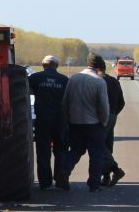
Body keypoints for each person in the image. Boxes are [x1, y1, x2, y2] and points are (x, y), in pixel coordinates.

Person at [55, 53, 110, 192]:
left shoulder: (73, 78)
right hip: (94, 123)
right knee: (96, 154)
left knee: (75, 150)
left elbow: (65, 101)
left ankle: (64, 172)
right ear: (98, 66)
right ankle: (94, 184)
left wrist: (67, 119)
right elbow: (103, 106)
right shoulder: (99, 81)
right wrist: (104, 121)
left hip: (75, 122)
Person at [28, 55, 68, 189]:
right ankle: (60, 178)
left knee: (43, 150)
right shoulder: (64, 79)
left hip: (43, 119)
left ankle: (45, 182)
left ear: (43, 65)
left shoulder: (34, 78)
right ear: (56, 66)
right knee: (60, 150)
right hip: (60, 119)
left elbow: (25, 91)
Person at [94, 57, 126, 186]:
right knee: (107, 145)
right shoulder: (114, 81)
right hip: (112, 116)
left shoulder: (96, 81)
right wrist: (114, 114)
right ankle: (106, 177)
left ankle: (115, 169)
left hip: (101, 117)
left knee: (98, 144)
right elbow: (122, 102)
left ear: (96, 69)